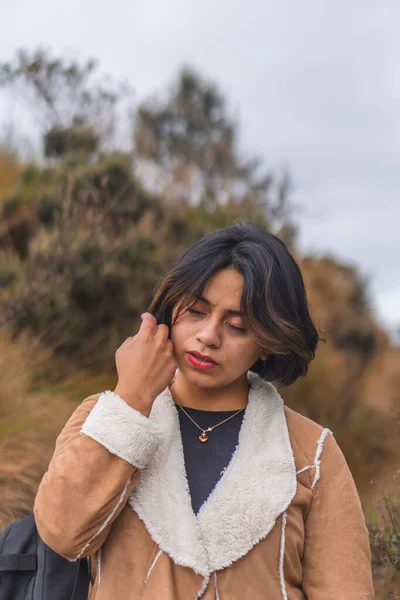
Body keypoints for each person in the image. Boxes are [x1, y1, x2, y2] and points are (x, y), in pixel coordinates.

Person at [33, 223, 375, 599]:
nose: (209, 335)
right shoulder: (103, 418)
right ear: (171, 310)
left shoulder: (312, 454)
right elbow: (62, 533)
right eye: (196, 311)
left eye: (237, 326)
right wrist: (131, 399)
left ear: (266, 343)